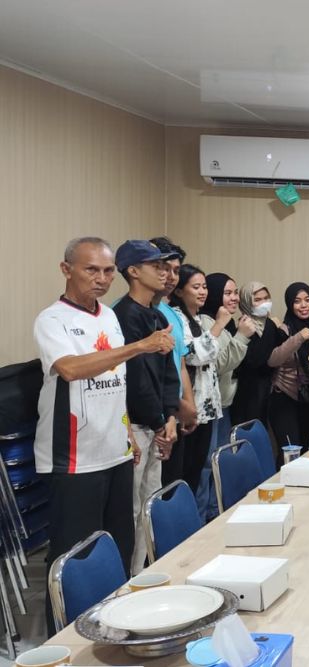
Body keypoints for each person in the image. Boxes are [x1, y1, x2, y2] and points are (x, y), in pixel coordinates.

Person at [34, 237, 173, 634]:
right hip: (74, 457)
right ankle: (62, 638)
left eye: (108, 271)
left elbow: (117, 382)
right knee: (74, 555)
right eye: (91, 269)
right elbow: (71, 369)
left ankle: (111, 629)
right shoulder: (52, 319)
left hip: (115, 451)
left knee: (117, 548)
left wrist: (127, 435)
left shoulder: (108, 317)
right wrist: (140, 346)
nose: (101, 278)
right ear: (66, 270)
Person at [112, 240, 180, 574]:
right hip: (136, 426)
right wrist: (158, 422)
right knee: (131, 507)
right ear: (134, 271)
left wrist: (170, 416)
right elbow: (134, 378)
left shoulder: (156, 314)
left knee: (149, 504)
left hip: (157, 423)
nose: (165, 273)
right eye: (157, 267)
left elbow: (167, 372)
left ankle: (140, 572)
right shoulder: (123, 316)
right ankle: (125, 577)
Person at [196, 272, 254, 519]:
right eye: (227, 293)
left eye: (235, 292)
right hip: (209, 408)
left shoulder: (227, 322)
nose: (234, 298)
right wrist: (242, 336)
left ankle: (215, 513)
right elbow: (218, 364)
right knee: (207, 466)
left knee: (219, 463)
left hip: (224, 405)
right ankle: (202, 519)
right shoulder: (207, 322)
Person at [148, 238, 197, 486]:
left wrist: (189, 405)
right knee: (151, 494)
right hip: (151, 418)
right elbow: (144, 375)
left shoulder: (171, 313)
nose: (171, 277)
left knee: (175, 485)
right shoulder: (129, 312)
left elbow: (180, 363)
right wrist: (175, 407)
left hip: (174, 414)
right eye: (164, 269)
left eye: (176, 271)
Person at [170, 264, 222, 494]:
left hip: (206, 404)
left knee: (199, 468)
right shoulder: (176, 317)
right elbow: (192, 355)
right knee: (184, 472)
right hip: (189, 405)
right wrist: (219, 325)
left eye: (204, 287)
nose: (202, 292)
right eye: (196, 287)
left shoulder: (198, 318)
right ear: (179, 291)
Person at [268, 282, 309, 449]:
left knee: (307, 450)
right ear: (290, 304)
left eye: (308, 300)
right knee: (290, 450)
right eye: (297, 301)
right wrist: (298, 338)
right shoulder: (283, 329)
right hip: (285, 396)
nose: (304, 305)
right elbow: (273, 360)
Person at [230, 281, 283, 427]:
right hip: (246, 389)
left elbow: (280, 346)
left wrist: (280, 327)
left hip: (266, 386)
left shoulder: (270, 324)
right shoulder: (244, 325)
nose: (264, 303)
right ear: (247, 302)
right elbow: (253, 360)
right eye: (258, 300)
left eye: (266, 298)